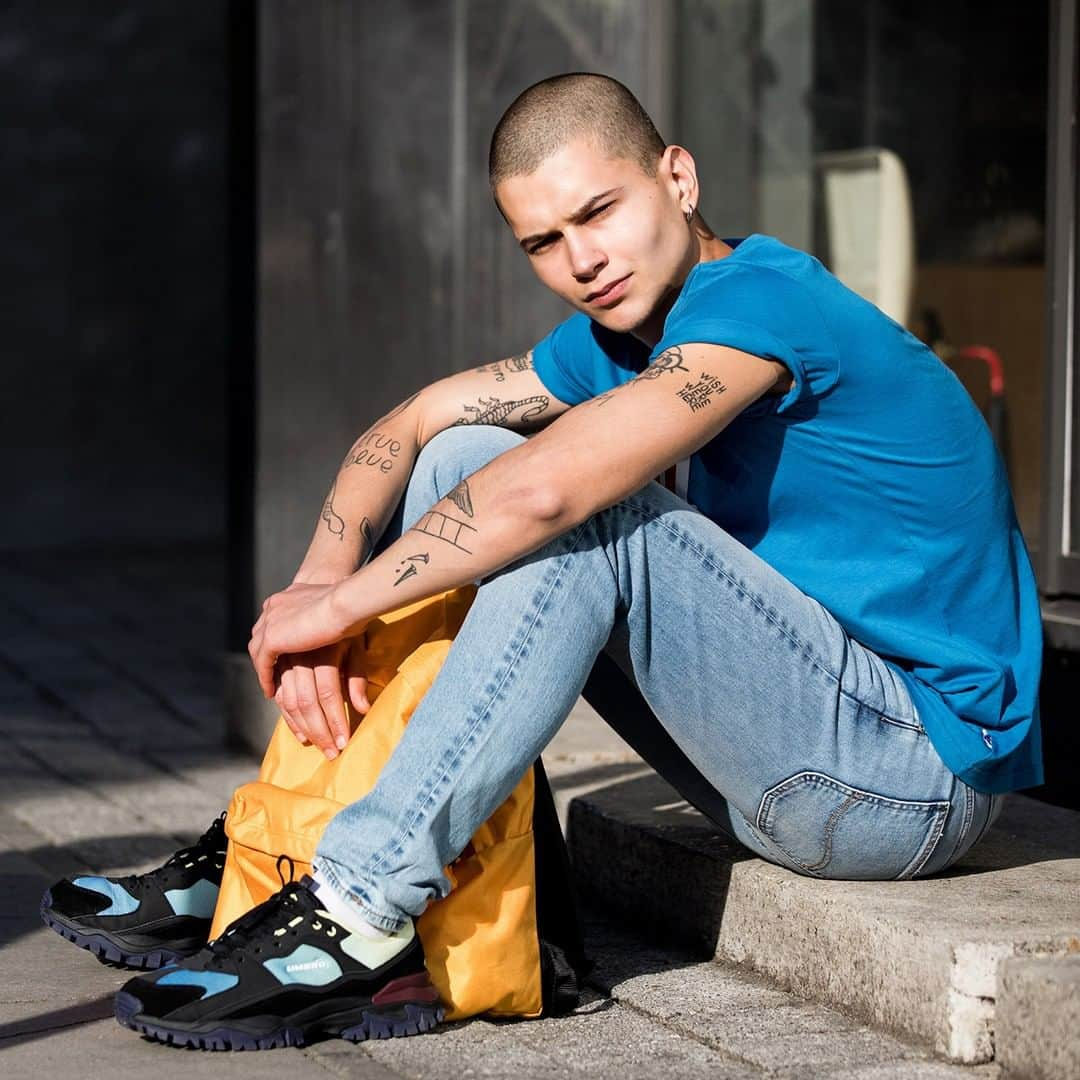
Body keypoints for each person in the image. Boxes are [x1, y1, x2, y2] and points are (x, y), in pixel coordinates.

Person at [41, 72, 1041, 1050]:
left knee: (576, 518)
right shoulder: (629, 331)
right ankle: (291, 834)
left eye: (598, 212)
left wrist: (341, 608)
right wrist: (316, 574)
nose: (583, 260)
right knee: (463, 457)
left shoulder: (764, 302)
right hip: (797, 747)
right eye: (545, 243)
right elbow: (422, 418)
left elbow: (548, 495)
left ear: (679, 179)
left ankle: (356, 907)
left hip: (910, 780)